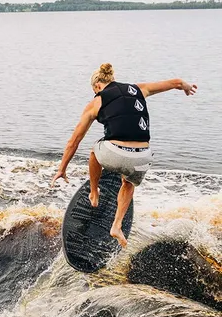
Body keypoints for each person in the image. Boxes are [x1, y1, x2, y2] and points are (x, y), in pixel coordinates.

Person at [51, 63, 197, 247]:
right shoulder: (139, 89)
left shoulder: (96, 101)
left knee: (94, 152)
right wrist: (186, 86)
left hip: (115, 153)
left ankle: (94, 193)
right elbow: (175, 82)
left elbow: (74, 141)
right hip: (143, 157)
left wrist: (62, 169)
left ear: (97, 86)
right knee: (128, 182)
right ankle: (117, 225)